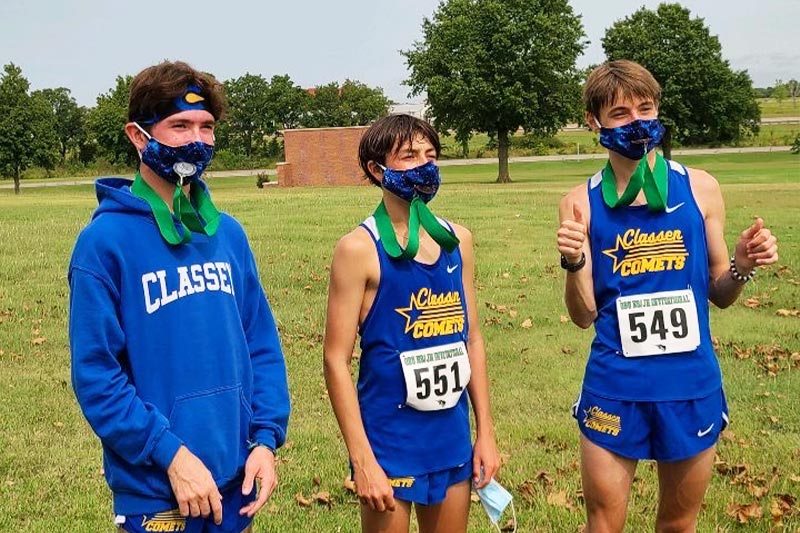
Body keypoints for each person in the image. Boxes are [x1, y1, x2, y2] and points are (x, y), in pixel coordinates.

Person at [556, 59, 778, 532]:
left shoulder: (700, 187)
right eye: (620, 113)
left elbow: (720, 292)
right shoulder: (580, 200)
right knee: (603, 522)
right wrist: (574, 262)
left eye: (646, 107)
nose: (636, 121)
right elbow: (582, 315)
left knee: (678, 524)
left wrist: (742, 264)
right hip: (615, 385)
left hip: (689, 383)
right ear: (594, 122)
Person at [68, 60, 290, 533]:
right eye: (179, 125)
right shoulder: (104, 243)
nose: (197, 138)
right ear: (138, 136)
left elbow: (262, 345)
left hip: (236, 481)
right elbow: (97, 376)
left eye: (206, 126)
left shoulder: (228, 235)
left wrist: (266, 441)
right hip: (159, 492)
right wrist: (170, 455)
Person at [323, 114, 501, 533]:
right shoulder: (358, 249)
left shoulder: (458, 240)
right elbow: (335, 360)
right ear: (376, 169)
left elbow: (472, 338)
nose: (424, 164)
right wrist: (362, 458)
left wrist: (486, 433)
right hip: (390, 441)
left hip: (450, 437)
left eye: (430, 155)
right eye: (409, 156)